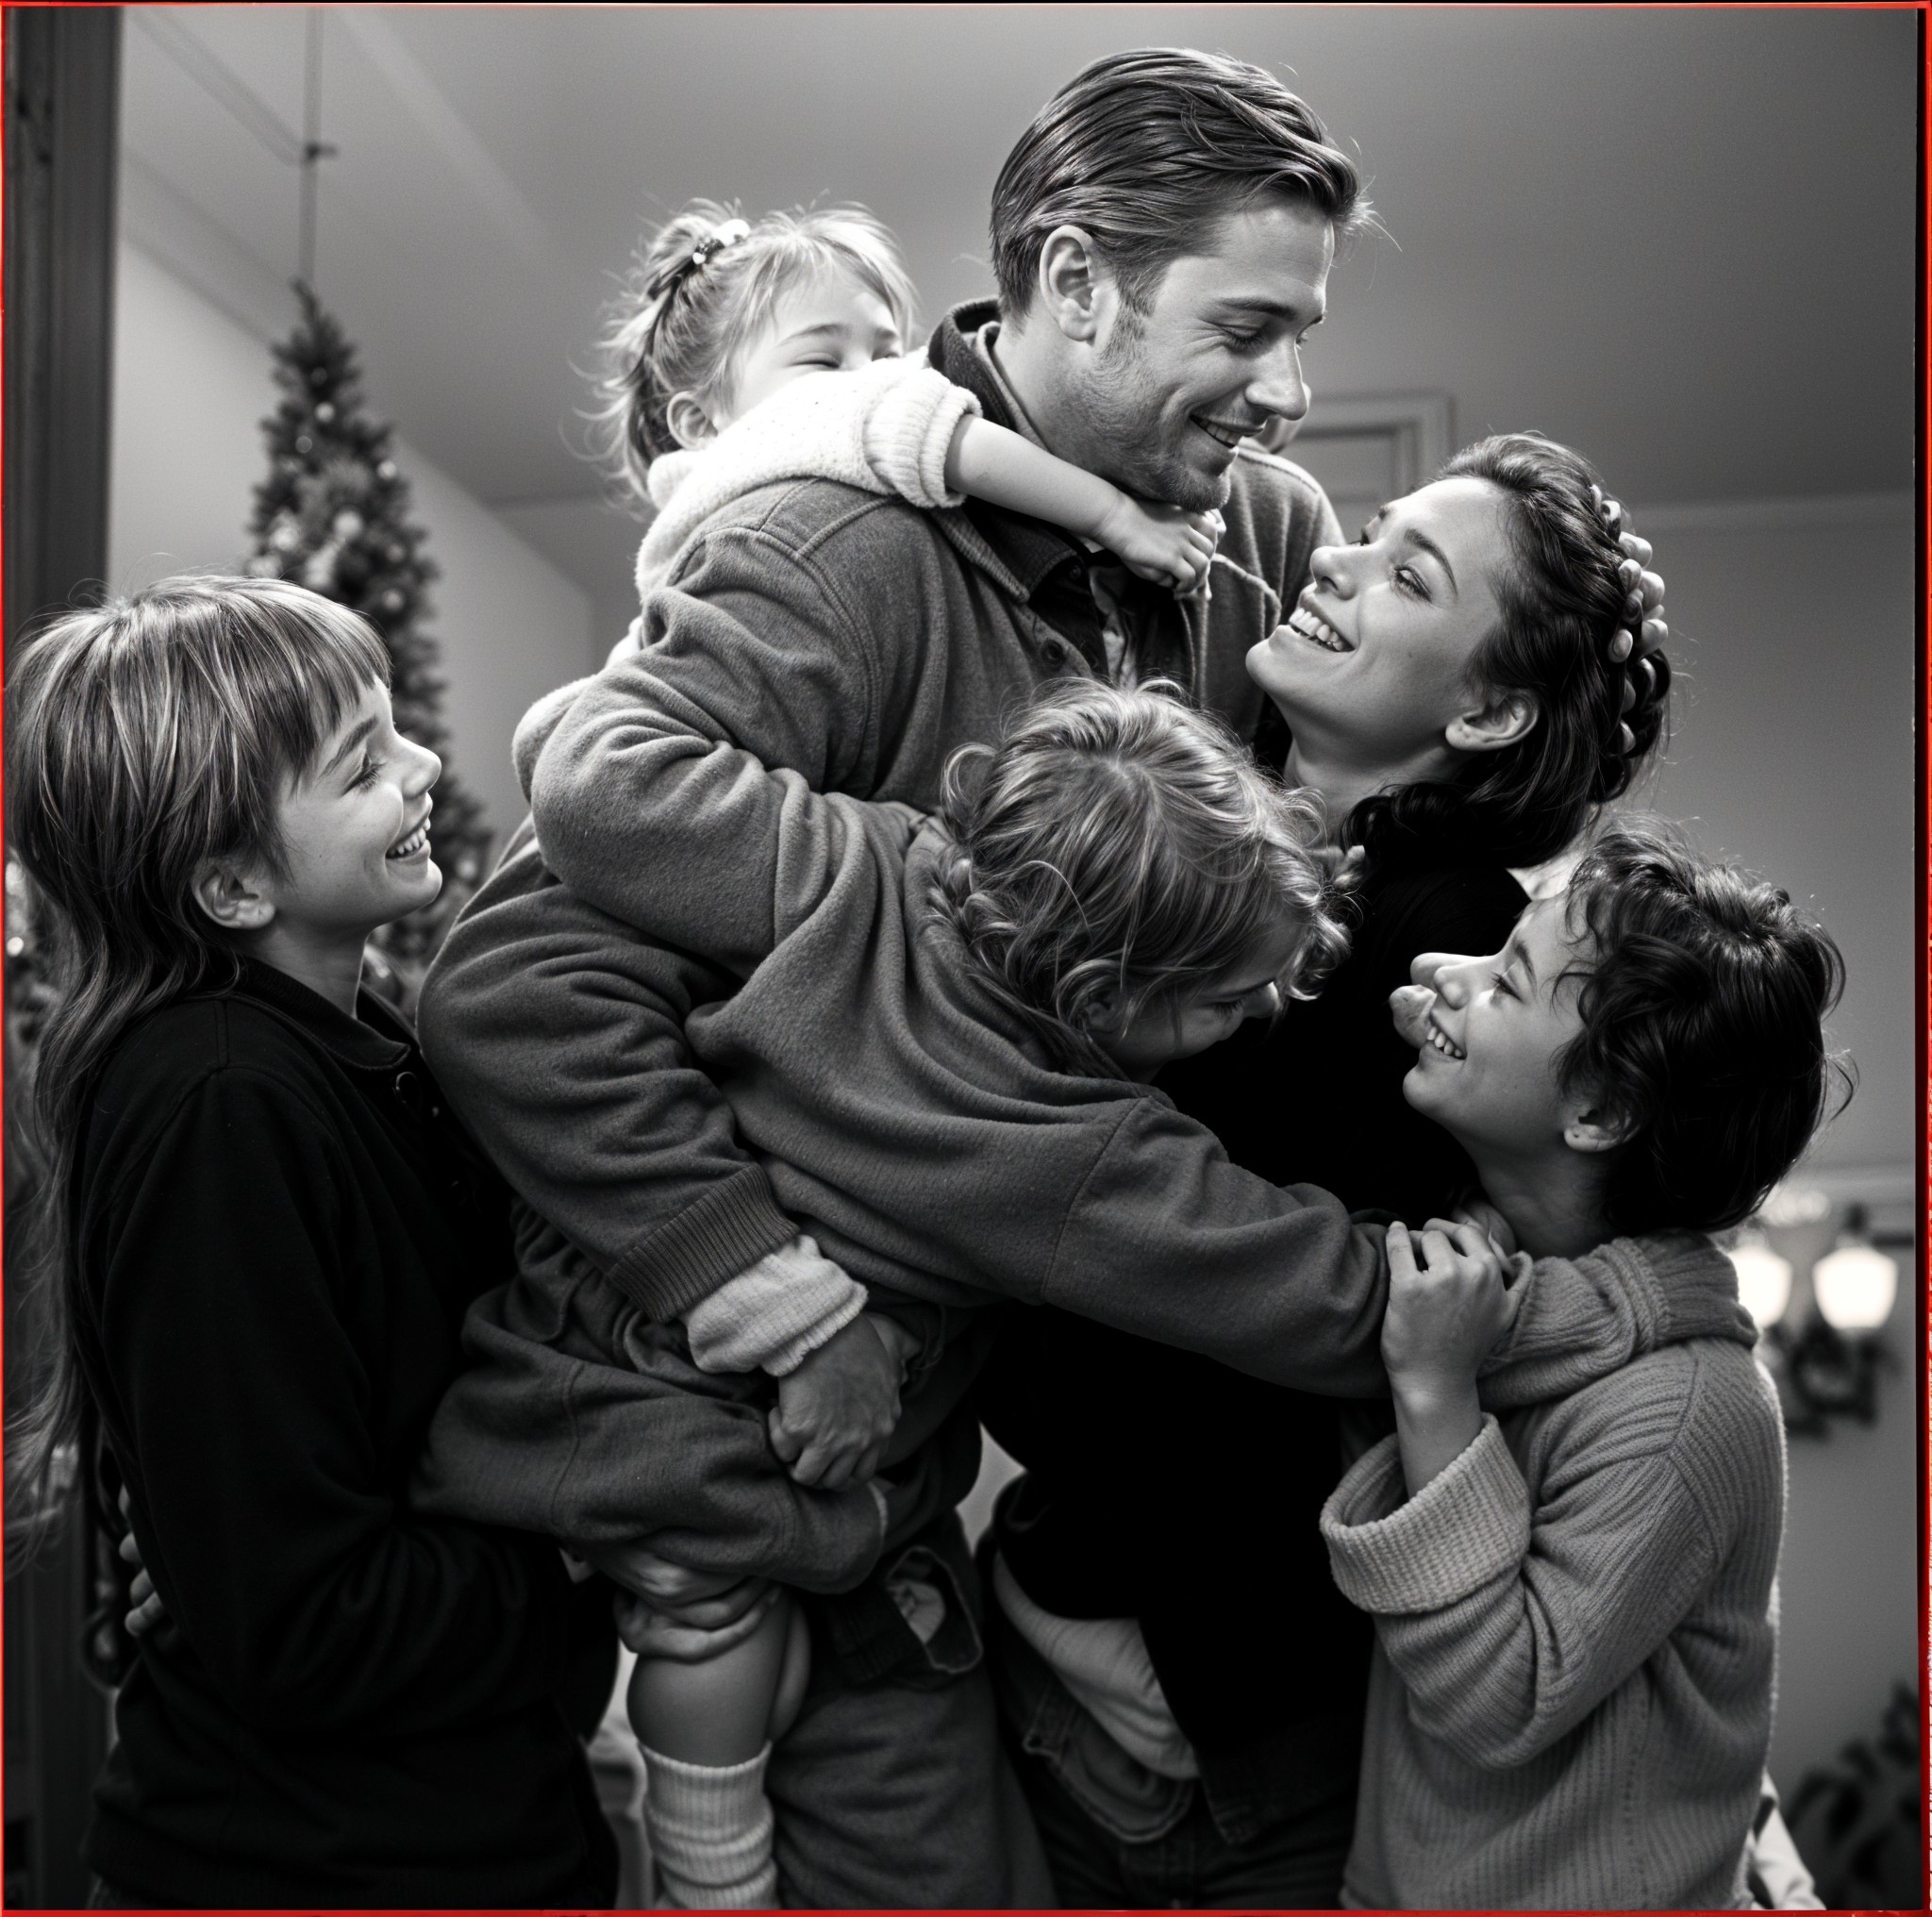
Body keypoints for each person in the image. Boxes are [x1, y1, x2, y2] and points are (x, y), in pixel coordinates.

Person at [420, 48, 1373, 1909]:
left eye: (1306, 328)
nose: (1290, 387)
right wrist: (769, 1286)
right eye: (1246, 323)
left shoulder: (1263, 537)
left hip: (1049, 1492)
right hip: (804, 1459)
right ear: (1079, 281)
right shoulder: (830, 553)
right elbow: (521, 976)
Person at [972, 429, 1674, 1902]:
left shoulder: (1443, 928)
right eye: (1364, 532)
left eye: (1406, 572)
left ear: (1485, 712)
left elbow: (1216, 1285)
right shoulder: (1221, 826)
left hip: (1224, 1706)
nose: (1336, 564)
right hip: (1053, 1639)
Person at [2, 576, 619, 1910]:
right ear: (225, 881)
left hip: (467, 1830)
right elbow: (301, 1622)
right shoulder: (220, 1103)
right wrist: (602, 1526)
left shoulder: (367, 1039)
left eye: (397, 730)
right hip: (308, 1866)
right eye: (364, 767)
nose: (426, 770)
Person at [1324, 819, 1843, 1909]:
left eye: (1504, 978)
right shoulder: (1494, 1287)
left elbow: (1502, 1701)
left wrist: (1432, 1394)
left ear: (1600, 1110)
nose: (1437, 972)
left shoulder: (1686, 1407)